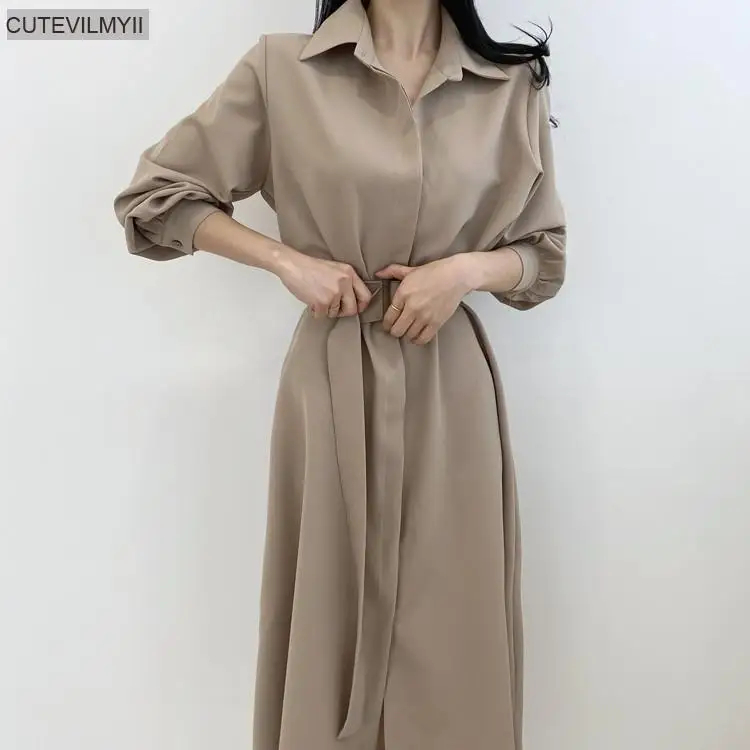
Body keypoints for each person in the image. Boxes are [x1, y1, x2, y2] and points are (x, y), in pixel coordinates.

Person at [113, 0, 567, 748]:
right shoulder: (282, 70)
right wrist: (286, 262)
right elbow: (157, 197)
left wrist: (463, 272)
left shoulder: (511, 85)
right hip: (332, 373)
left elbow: (544, 254)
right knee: (332, 608)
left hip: (450, 384)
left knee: (451, 621)